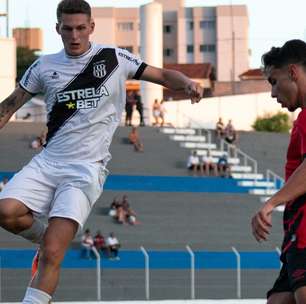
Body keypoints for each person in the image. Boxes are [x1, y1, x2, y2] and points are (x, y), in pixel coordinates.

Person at [0, 0, 203, 303]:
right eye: (67, 29)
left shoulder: (113, 58)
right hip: (49, 161)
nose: (75, 35)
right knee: (5, 211)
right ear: (58, 29)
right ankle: (44, 237)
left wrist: (185, 82)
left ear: (91, 27)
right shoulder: (44, 65)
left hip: (85, 169)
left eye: (81, 28)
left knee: (54, 253)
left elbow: (161, 75)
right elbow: (10, 105)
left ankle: (47, 256)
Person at [251, 39, 306, 304]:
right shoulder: (302, 119)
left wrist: (271, 203)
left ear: (293, 73)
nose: (273, 93)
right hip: (297, 233)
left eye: (274, 81)